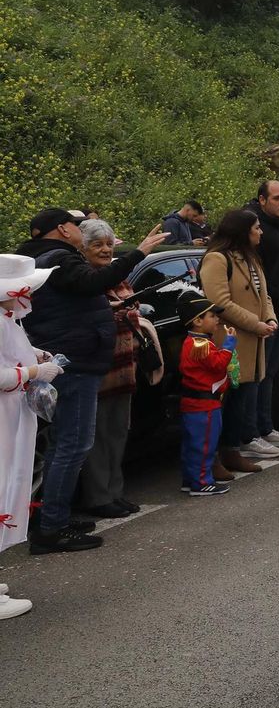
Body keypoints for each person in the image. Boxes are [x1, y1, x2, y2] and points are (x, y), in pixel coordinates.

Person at [16, 208, 165, 553]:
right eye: (74, 225)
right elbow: (94, 282)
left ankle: (54, 516)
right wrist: (139, 252)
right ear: (62, 229)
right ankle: (51, 528)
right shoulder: (59, 259)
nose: (78, 229)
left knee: (62, 445)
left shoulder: (39, 258)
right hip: (76, 362)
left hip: (66, 358)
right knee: (74, 445)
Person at [1, 254, 62, 616]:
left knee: (8, 485)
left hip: (12, 420)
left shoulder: (8, 318)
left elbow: (13, 353)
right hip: (4, 422)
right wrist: (34, 370)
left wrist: (35, 355)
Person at [199, 209, 279, 476]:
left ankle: (232, 451)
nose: (260, 232)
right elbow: (219, 302)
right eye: (256, 228)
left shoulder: (250, 259)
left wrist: (269, 318)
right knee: (222, 402)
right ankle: (211, 458)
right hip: (229, 343)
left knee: (241, 401)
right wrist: (255, 324)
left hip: (253, 340)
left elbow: (264, 295)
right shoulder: (217, 259)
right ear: (242, 231)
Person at [78, 220, 144, 518]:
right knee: (98, 435)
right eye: (97, 244)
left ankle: (115, 492)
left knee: (118, 431)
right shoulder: (83, 278)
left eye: (108, 243)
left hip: (125, 366)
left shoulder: (118, 277)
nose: (105, 250)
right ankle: (98, 497)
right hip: (100, 368)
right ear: (83, 247)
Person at [245, 181, 279, 450]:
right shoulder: (257, 230)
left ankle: (266, 427)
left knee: (270, 372)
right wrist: (272, 309)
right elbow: (259, 276)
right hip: (266, 314)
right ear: (262, 200)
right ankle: (252, 432)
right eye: (277, 198)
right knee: (259, 373)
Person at [174, 294, 235, 497]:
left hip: (194, 403)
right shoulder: (200, 344)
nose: (217, 319)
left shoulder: (193, 341)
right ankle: (201, 482)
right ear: (198, 321)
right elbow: (218, 364)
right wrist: (229, 344)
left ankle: (190, 479)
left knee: (191, 444)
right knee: (204, 445)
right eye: (212, 316)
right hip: (204, 405)